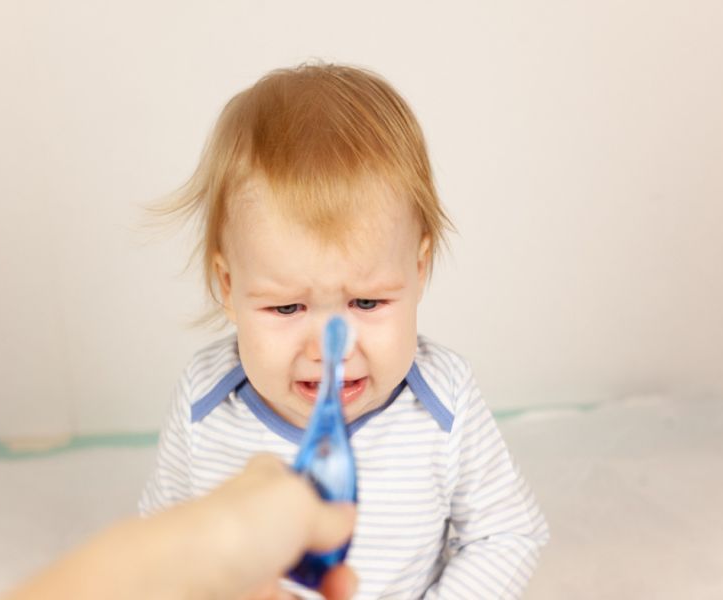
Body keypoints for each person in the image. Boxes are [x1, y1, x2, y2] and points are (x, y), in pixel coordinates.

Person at [141, 63, 549, 598]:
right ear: (228, 285)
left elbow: (509, 533)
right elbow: (161, 542)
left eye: (367, 301)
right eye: (287, 308)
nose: (330, 348)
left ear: (418, 269)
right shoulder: (205, 402)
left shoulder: (444, 403)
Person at [6, 454, 357, 600]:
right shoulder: (202, 394)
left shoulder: (414, 410)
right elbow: (162, 519)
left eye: (368, 303)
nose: (323, 351)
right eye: (285, 308)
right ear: (227, 297)